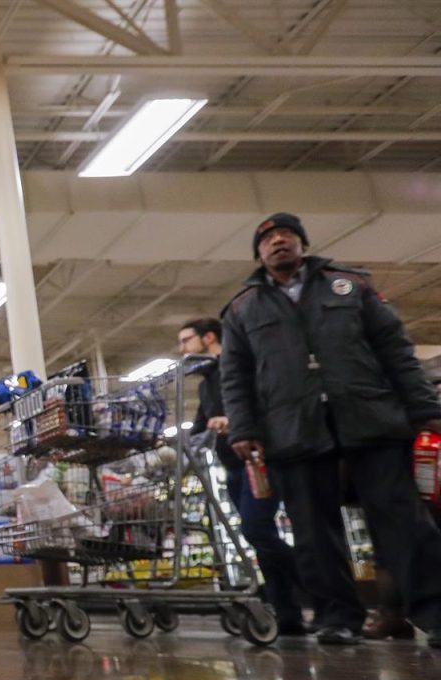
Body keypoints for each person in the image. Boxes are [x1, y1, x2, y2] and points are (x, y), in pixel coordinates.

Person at [220, 212, 441, 646]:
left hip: (371, 420)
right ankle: (337, 617)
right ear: (258, 254)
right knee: (312, 530)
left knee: (404, 521)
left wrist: (424, 407)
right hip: (293, 431)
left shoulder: (352, 286)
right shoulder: (243, 308)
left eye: (287, 235)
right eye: (268, 239)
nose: (279, 241)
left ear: (303, 244)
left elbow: (396, 350)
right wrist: (244, 429)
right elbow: (236, 375)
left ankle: (435, 612)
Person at [178, 318, 306, 635]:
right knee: (258, 539)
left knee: (256, 527)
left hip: (257, 460)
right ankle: (288, 615)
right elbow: (199, 425)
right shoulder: (207, 382)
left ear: (209, 337)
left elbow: (259, 404)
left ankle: (314, 579)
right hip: (233, 467)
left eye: (186, 340)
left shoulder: (237, 369)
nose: (182, 349)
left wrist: (232, 420)